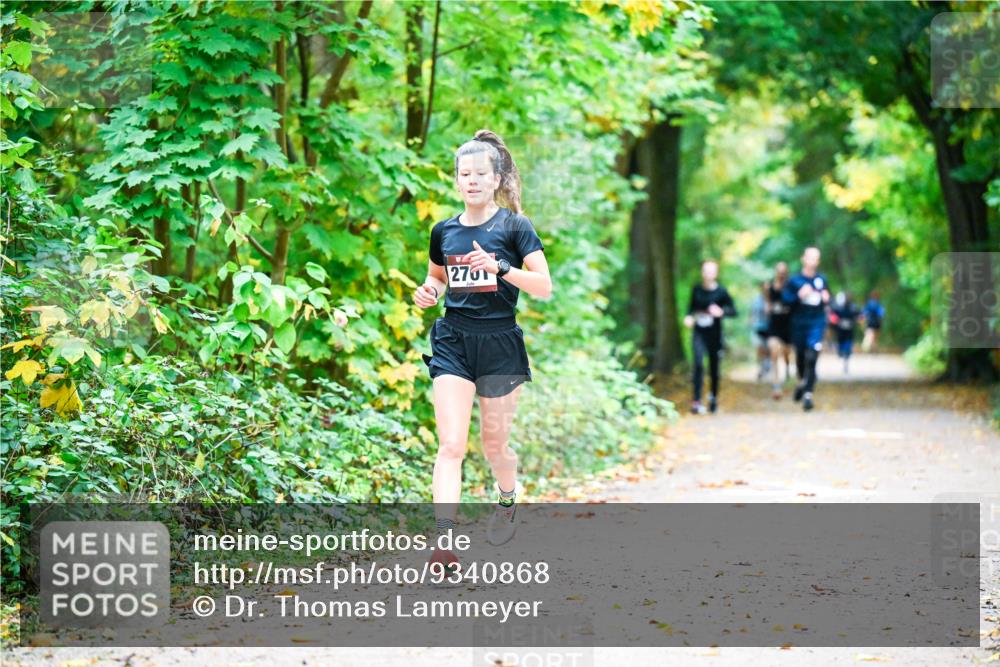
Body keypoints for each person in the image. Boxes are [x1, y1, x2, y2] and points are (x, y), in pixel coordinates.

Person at [413, 129, 552, 571]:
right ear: (456, 180)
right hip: (453, 340)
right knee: (451, 444)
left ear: (496, 179)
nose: (470, 180)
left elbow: (544, 287)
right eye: (463, 173)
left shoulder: (515, 226)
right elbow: (437, 276)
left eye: (479, 173)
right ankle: (444, 545)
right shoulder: (444, 231)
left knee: (494, 447)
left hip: (500, 343)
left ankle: (507, 499)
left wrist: (501, 266)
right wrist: (429, 290)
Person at [683, 260, 737, 414]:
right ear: (702, 273)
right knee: (698, 364)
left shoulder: (721, 291)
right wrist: (688, 317)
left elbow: (733, 311)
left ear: (716, 273)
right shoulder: (696, 290)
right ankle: (696, 400)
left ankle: (713, 397)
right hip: (699, 332)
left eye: (711, 271)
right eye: (706, 270)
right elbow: (690, 309)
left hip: (715, 334)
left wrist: (721, 312)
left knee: (714, 366)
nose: (708, 274)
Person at [782, 247, 830, 412]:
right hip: (798, 324)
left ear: (818, 261)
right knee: (802, 356)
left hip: (816, 323)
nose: (812, 261)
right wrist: (799, 295)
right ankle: (802, 382)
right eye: (810, 257)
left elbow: (827, 301)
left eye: (816, 258)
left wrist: (826, 299)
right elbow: (785, 301)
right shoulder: (794, 281)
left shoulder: (822, 280)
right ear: (803, 259)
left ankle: (808, 394)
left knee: (813, 353)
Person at [764, 261, 793, 400]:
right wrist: (768, 308)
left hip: (788, 326)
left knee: (786, 353)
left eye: (783, 271)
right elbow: (767, 303)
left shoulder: (791, 286)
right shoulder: (769, 286)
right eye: (779, 271)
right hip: (774, 325)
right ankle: (776, 385)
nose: (781, 274)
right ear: (775, 272)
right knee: (774, 352)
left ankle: (787, 369)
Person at [829, 291, 860, 373]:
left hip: (849, 329)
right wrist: (835, 320)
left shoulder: (853, 308)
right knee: (841, 343)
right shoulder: (838, 308)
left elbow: (858, 316)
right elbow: (832, 316)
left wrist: (857, 320)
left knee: (848, 344)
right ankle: (841, 352)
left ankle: (846, 356)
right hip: (840, 329)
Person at [749, 283, 771, 381]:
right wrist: (750, 320)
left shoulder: (773, 299)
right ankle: (762, 367)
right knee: (760, 347)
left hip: (770, 328)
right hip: (758, 328)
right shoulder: (756, 300)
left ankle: (767, 365)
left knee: (769, 349)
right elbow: (751, 312)